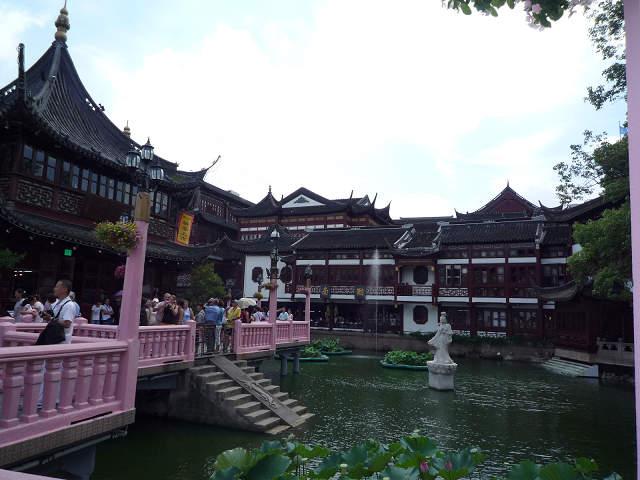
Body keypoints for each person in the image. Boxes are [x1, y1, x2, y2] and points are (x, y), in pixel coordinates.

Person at [41, 279, 76, 344]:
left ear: (65, 289)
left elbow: (67, 324)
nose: (54, 289)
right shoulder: (57, 303)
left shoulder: (69, 305)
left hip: (62, 342)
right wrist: (48, 317)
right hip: (54, 339)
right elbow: (56, 319)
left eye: (57, 287)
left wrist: (51, 318)